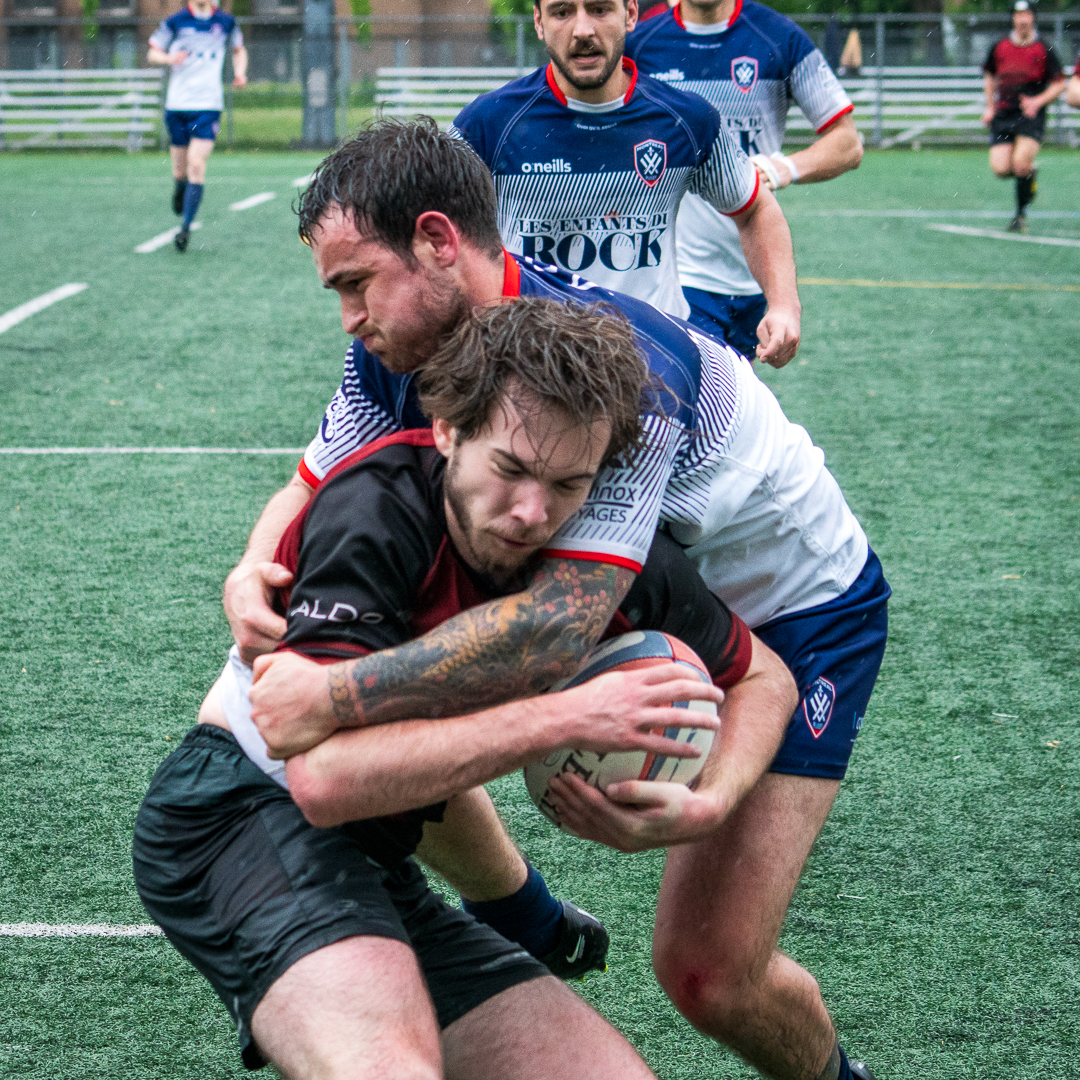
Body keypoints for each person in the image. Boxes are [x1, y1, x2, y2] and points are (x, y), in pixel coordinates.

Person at [230, 121, 889, 1080]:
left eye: (356, 283)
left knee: (709, 974)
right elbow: (309, 481)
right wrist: (251, 568)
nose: (349, 318)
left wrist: (328, 696)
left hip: (799, 609)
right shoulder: (399, 348)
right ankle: (522, 913)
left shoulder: (612, 374)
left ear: (437, 241)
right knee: (403, 655)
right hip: (650, 588)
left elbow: (553, 628)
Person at [134, 298, 744, 1079]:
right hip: (237, 817)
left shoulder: (599, 560)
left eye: (569, 482)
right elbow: (325, 783)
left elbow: (762, 675)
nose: (533, 512)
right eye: (510, 469)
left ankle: (522, 914)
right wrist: (565, 715)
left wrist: (712, 802)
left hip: (381, 857)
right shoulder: (375, 511)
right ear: (449, 431)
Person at [448, 0, 802, 366]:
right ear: (539, 22)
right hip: (532, 366)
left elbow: (754, 208)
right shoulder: (487, 125)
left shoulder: (685, 120)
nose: (583, 30)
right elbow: (430, 233)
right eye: (562, 12)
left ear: (630, 14)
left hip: (656, 364)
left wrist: (784, 305)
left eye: (600, 9)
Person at [625, 0, 862, 360]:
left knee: (731, 393)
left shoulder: (779, 37)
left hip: (755, 275)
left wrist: (782, 168)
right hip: (680, 276)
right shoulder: (639, 45)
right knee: (692, 387)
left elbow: (848, 143)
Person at [148, 0, 247, 252]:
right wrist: (169, 58)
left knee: (196, 164)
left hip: (208, 106)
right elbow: (153, 52)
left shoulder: (226, 22)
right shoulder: (176, 21)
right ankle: (179, 188)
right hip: (178, 106)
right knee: (180, 171)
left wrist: (240, 72)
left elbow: (238, 49)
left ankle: (185, 228)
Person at [981, 0, 1065, 234]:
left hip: (1030, 115)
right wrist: (989, 107)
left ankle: (1020, 216)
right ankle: (1029, 174)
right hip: (1004, 113)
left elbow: (1060, 83)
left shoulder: (1044, 48)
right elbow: (989, 76)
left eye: (1027, 14)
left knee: (1019, 164)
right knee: (1000, 168)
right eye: (1019, 15)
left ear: (1033, 17)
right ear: (1013, 18)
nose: (1023, 19)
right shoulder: (999, 46)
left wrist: (1038, 101)